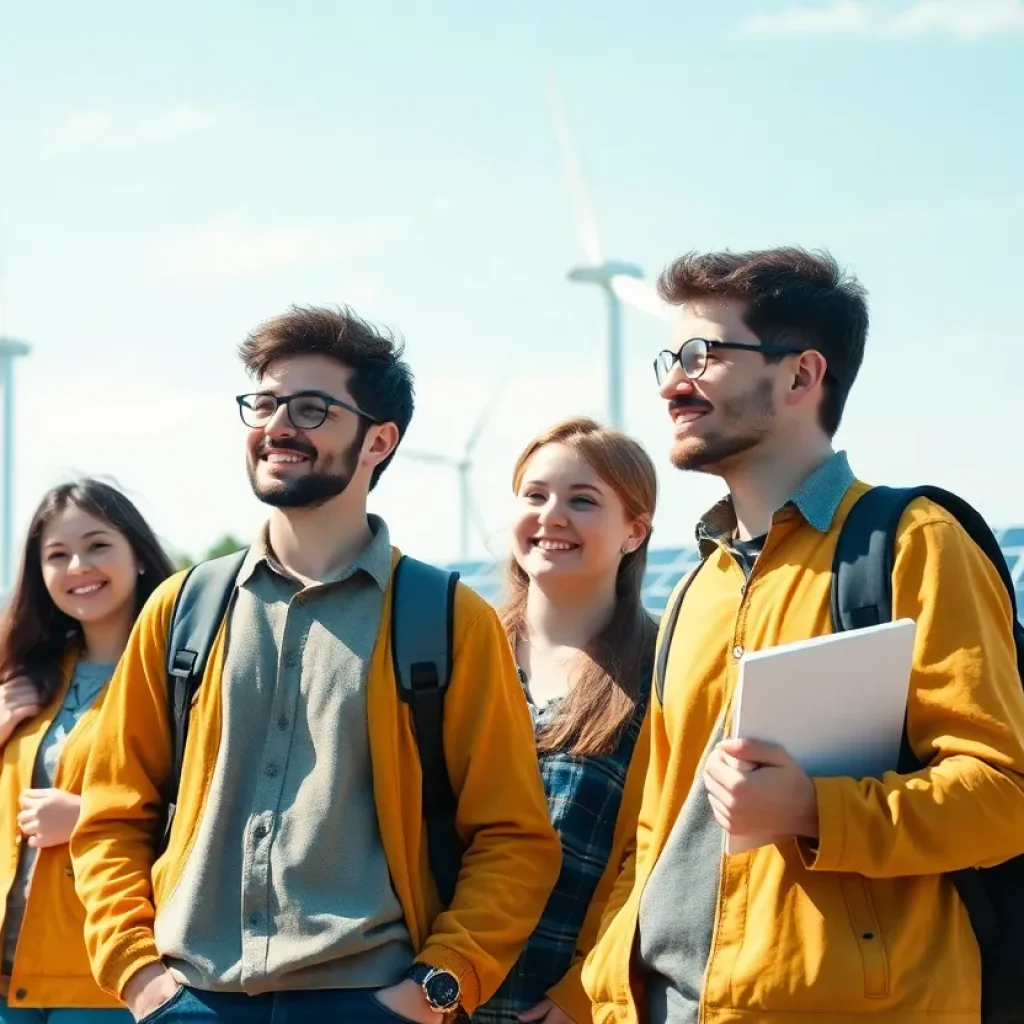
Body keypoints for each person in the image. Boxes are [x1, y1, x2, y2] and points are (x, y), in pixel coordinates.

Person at [70, 305, 561, 1024]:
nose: (276, 427)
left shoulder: (449, 620)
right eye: (264, 404)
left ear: (378, 441)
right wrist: (139, 975)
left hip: (373, 1001)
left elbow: (514, 836)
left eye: (310, 408)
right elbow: (111, 814)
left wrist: (434, 988)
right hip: (188, 1000)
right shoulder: (182, 608)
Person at [582, 247, 1024, 1023]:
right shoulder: (693, 588)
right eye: (668, 357)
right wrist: (611, 995)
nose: (670, 383)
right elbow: (654, 827)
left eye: (702, 355)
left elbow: (1004, 795)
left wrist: (815, 810)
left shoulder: (915, 541)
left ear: (799, 375)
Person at [472, 418, 657, 1024]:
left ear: (635, 532)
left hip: (566, 1007)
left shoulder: (665, 671)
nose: (552, 515)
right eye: (536, 495)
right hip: (430, 996)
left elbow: (664, 859)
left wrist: (584, 993)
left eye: (583, 500)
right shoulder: (459, 653)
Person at [0, 480, 175, 1023]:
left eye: (98, 545)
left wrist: (87, 818)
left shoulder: (180, 676)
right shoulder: (26, 675)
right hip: (9, 975)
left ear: (139, 557)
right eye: (57, 554)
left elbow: (216, 807)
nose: (78, 565)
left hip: (105, 974)